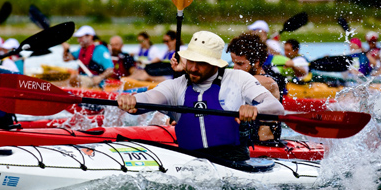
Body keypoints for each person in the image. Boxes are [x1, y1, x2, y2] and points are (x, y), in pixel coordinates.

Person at [117, 31, 284, 162]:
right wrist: (132, 101)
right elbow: (148, 99)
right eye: (190, 61)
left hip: (234, 164)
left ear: (214, 63)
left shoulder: (238, 78)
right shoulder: (176, 86)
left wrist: (255, 109)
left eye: (201, 63)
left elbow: (276, 107)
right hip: (192, 165)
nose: (194, 68)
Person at [227, 32, 285, 143]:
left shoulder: (266, 82)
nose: (235, 68)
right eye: (234, 63)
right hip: (247, 142)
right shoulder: (244, 76)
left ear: (257, 62)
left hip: (265, 147)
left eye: (240, 64)